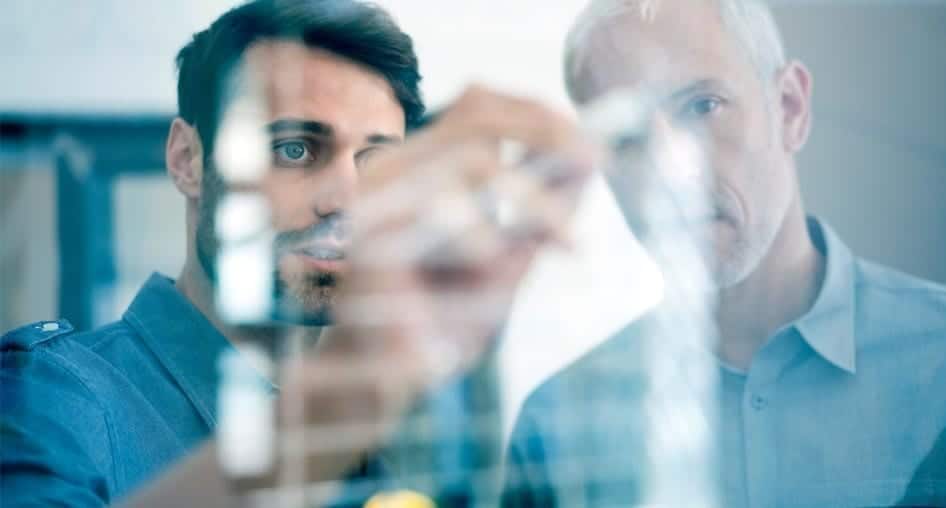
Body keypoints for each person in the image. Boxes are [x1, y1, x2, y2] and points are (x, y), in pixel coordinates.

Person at [0, 1, 595, 506]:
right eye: (293, 150)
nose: (346, 198)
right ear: (187, 160)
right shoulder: (52, 398)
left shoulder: (400, 437)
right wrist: (340, 402)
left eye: (377, 159)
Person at [503, 0, 946, 507]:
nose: (669, 173)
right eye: (626, 136)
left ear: (790, 109)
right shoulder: (555, 428)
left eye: (702, 106)